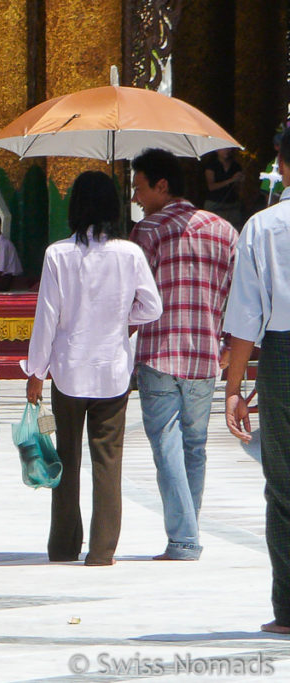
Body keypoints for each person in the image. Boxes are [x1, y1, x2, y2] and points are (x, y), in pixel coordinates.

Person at [24, 171, 162, 566]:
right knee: (108, 460)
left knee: (64, 458)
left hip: (68, 370)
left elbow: (46, 318)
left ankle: (64, 544)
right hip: (112, 370)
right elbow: (153, 306)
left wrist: (36, 371)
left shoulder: (58, 254)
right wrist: (124, 320)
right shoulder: (130, 253)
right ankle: (102, 550)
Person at [130, 148, 238, 562]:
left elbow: (136, 297)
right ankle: (187, 535)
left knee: (166, 445)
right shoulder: (225, 230)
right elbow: (236, 294)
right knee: (195, 445)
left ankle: (184, 539)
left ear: (162, 186)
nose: (137, 198)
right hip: (207, 353)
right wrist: (229, 343)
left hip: (159, 351)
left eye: (140, 188)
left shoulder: (148, 233)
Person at [224, 130, 290, 635]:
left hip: (283, 358)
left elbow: (246, 318)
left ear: (282, 166)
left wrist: (234, 388)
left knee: (284, 487)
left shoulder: (264, 227)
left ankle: (289, 611)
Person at [203, 148, 244, 228]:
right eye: (223, 149)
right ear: (216, 150)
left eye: (228, 149)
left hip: (232, 203)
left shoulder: (236, 166)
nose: (227, 151)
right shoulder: (211, 165)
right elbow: (211, 186)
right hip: (215, 203)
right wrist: (231, 180)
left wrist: (240, 180)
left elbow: (239, 188)